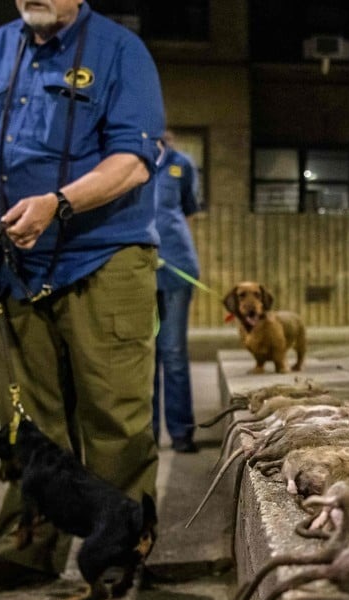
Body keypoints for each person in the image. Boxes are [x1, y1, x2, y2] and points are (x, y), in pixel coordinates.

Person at [0, 0, 165, 595]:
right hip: (15, 265)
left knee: (112, 416)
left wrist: (58, 203)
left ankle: (122, 550)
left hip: (103, 256)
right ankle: (26, 549)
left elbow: (135, 161)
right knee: (28, 423)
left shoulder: (121, 51)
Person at [152, 130, 204, 453]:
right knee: (145, 359)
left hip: (176, 269)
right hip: (138, 274)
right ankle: (147, 435)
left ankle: (181, 432)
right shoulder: (127, 159)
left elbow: (188, 209)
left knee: (172, 353)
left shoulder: (180, 164)